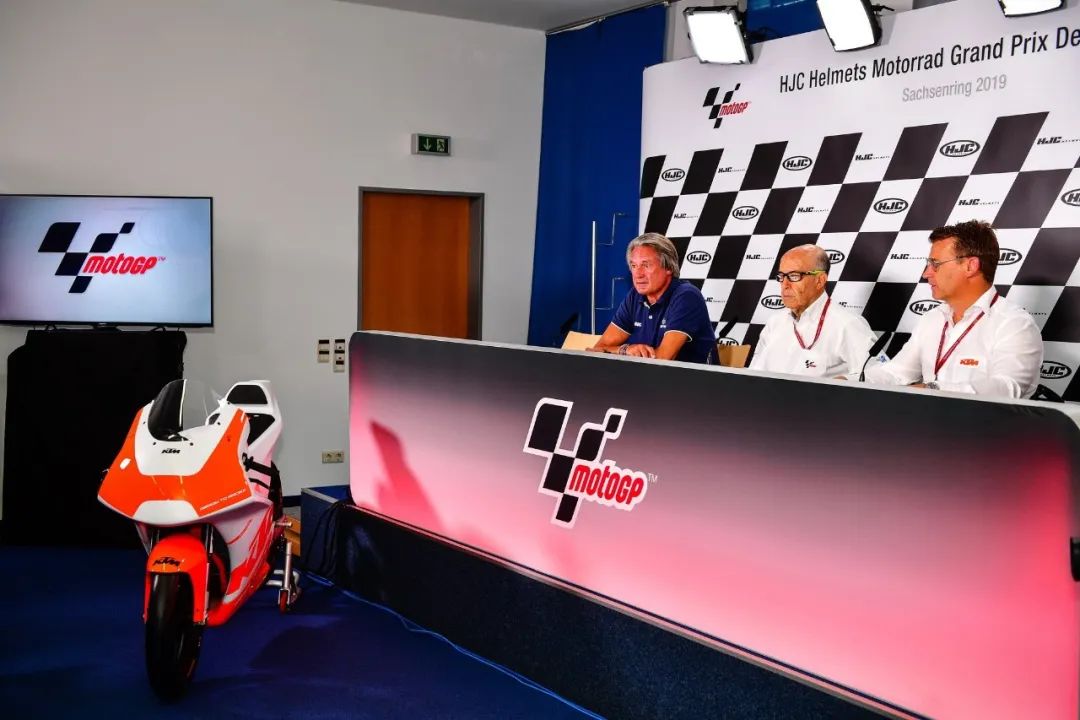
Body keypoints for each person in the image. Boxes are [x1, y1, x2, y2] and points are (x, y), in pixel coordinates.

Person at [864, 220, 1042, 398]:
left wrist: (932, 389)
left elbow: (1008, 388)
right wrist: (852, 381)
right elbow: (896, 373)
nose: (926, 273)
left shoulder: (1014, 323)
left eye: (935, 263)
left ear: (970, 266)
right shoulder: (932, 318)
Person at [750, 244, 877, 379]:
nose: (785, 285)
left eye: (794, 276)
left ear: (820, 280)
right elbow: (753, 374)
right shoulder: (775, 322)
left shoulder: (847, 324)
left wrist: (845, 381)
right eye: (781, 276)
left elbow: (880, 373)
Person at [590, 233, 715, 364]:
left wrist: (616, 351)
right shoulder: (635, 296)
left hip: (691, 377)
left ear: (668, 267)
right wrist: (625, 350)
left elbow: (662, 361)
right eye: (634, 266)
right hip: (648, 375)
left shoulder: (686, 296)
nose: (638, 274)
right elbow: (596, 351)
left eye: (646, 265)